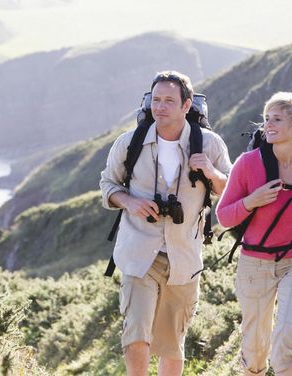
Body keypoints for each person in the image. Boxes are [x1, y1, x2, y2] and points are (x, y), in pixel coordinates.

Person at [100, 70, 232, 376]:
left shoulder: (209, 144)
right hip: (138, 253)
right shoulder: (129, 142)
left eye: (169, 100)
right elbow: (108, 184)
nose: (160, 106)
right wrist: (130, 202)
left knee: (172, 343)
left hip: (184, 257)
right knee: (136, 335)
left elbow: (230, 191)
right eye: (156, 99)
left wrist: (211, 172)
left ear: (186, 105)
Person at [216, 92, 292, 376]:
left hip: (291, 261)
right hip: (254, 264)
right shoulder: (248, 163)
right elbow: (223, 216)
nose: (268, 125)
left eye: (277, 119)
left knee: (287, 336)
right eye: (266, 119)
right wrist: (252, 201)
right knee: (255, 348)